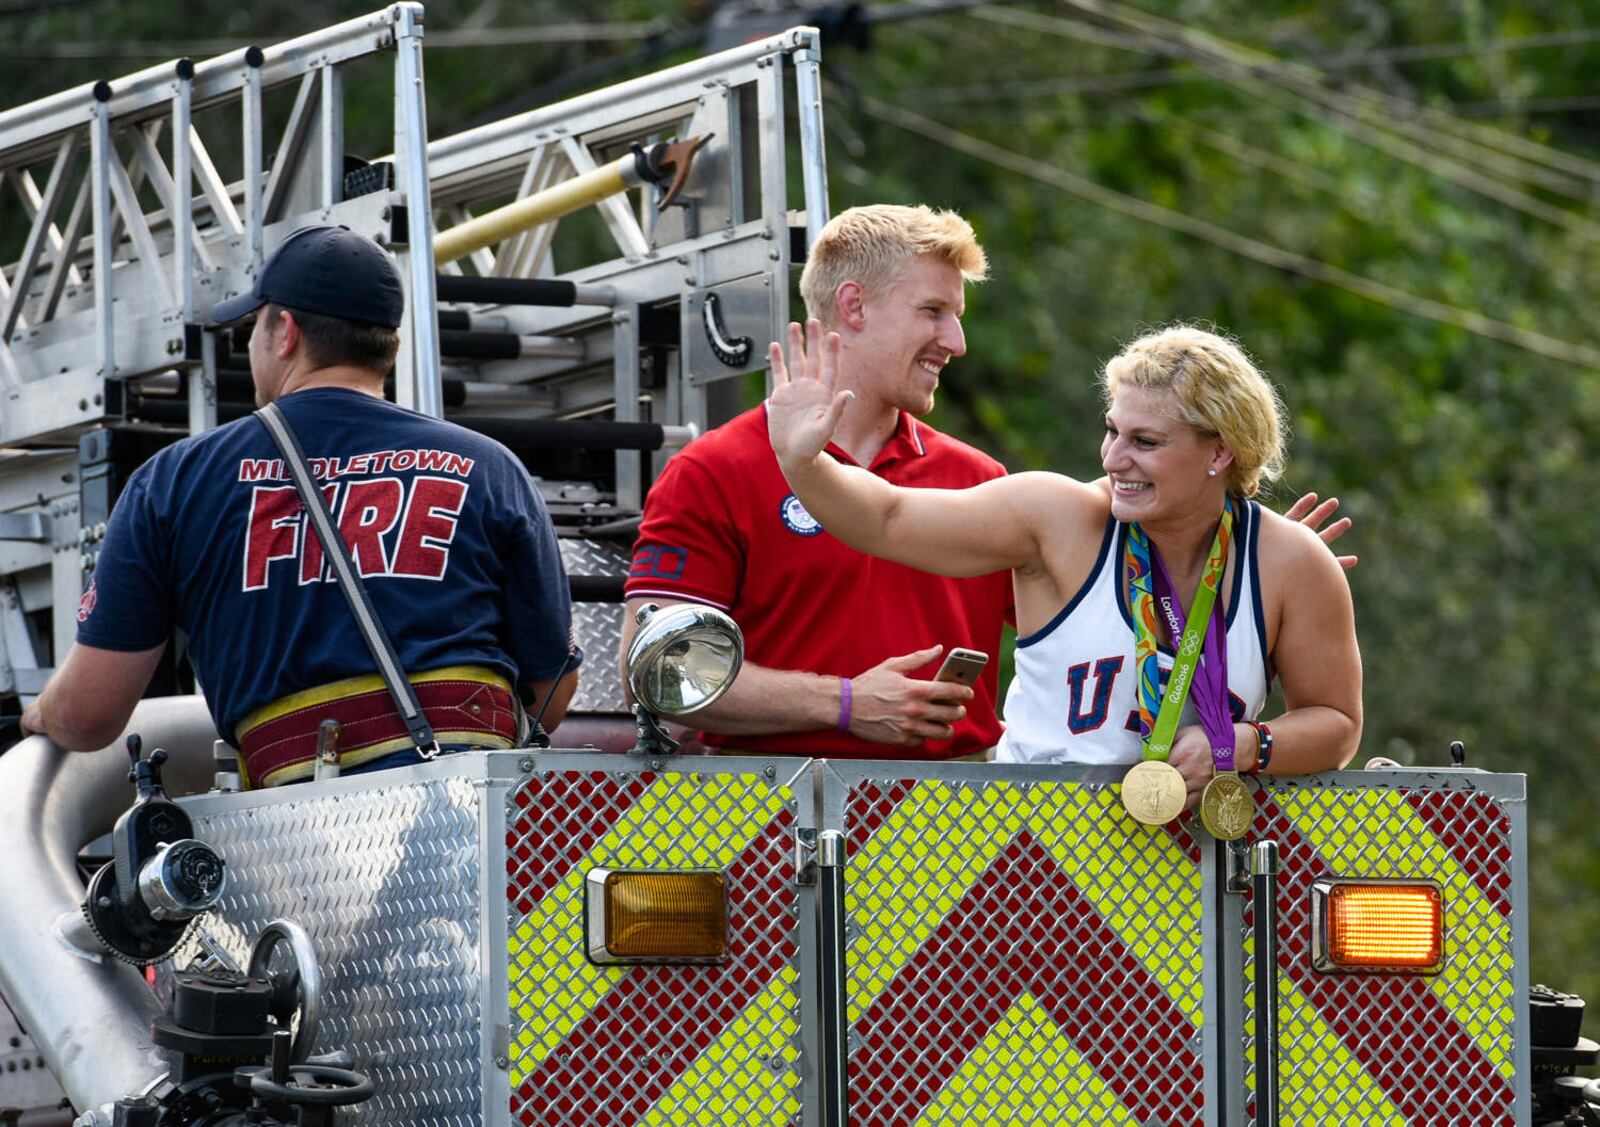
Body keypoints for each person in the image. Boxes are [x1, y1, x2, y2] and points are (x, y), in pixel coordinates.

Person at [623, 203, 1350, 761]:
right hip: (769, 816)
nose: (957, 342)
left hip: (961, 832)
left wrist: (1249, 565)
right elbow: (654, 674)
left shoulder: (979, 478)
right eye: (934, 311)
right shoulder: (713, 469)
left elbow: (1102, 607)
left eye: (957, 316)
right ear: (853, 307)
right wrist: (843, 702)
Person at [21, 224, 581, 787]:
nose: (249, 344)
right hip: (477, 811)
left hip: (298, 827)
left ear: (284, 332)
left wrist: (44, 712)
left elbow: (89, 717)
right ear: (388, 344)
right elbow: (550, 691)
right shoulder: (490, 466)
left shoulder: (174, 481)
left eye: (253, 325)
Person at [767, 320, 1361, 802]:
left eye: (1144, 442)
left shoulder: (1291, 561)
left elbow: (1336, 723)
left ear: (1220, 452)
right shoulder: (1057, 517)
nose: (1114, 458)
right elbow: (888, 517)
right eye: (1112, 431)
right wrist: (804, 465)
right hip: (1034, 872)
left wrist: (1245, 745)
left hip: (1190, 877)